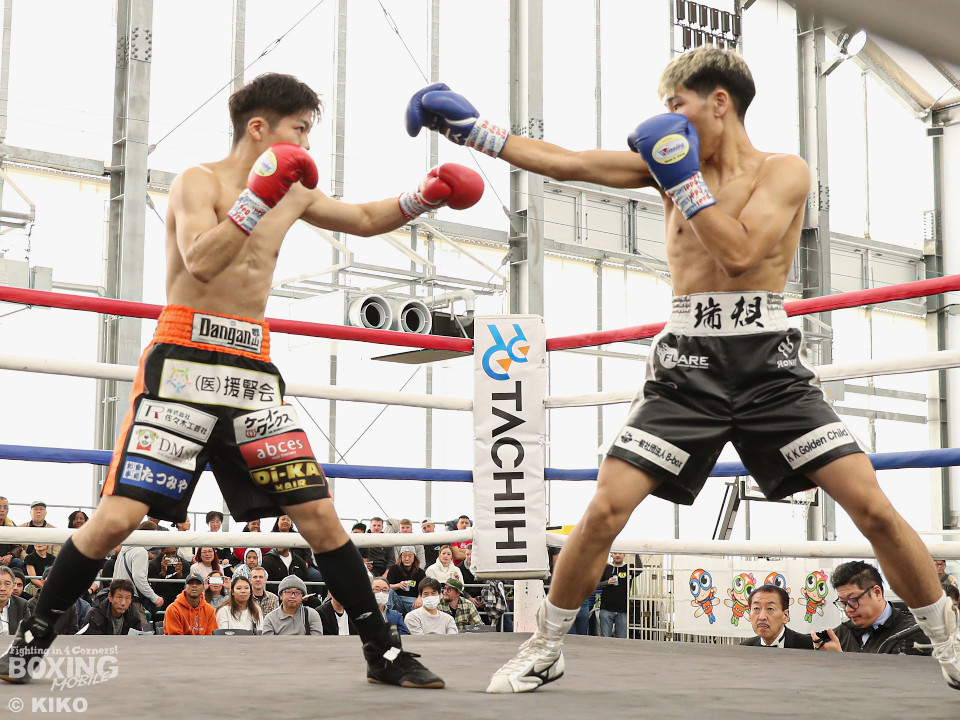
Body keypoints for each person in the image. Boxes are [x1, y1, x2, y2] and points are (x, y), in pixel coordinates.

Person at [406, 45, 960, 693]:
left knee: (873, 509)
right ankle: (547, 646)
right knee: (604, 510)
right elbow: (567, 162)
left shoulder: (783, 171)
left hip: (768, 368)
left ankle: (949, 645)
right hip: (686, 368)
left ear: (718, 102)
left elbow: (741, 253)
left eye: (678, 105)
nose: (669, 119)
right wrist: (474, 130)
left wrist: (682, 180)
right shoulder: (666, 166)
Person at [0, 72, 479, 689]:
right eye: (299, 129)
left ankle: (383, 652)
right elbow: (200, 261)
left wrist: (425, 196)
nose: (307, 143)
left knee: (319, 514)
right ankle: (33, 638)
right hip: (184, 362)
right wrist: (257, 197)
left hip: (251, 369)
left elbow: (362, 217)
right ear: (260, 128)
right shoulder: (197, 182)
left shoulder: (296, 193)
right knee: (119, 517)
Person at [816, 560, 930, 655]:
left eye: (853, 600)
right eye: (843, 603)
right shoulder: (840, 634)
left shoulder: (912, 633)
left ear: (877, 592)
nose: (848, 609)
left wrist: (839, 660)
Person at [740, 584, 813, 649]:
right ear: (749, 615)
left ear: (785, 616)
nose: (762, 617)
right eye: (756, 608)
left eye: (770, 609)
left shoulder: (809, 646)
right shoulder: (745, 648)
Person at [597, 552, 633, 639]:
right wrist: (607, 582)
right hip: (606, 609)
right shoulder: (605, 568)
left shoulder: (629, 568)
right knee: (605, 638)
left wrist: (636, 553)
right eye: (615, 553)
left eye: (620, 553)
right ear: (611, 555)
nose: (617, 555)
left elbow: (640, 569)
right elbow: (596, 585)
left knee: (621, 639)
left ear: (624, 555)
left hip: (623, 610)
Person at [387, 546, 426, 614]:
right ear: (400, 557)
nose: (407, 558)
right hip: (397, 599)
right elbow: (387, 586)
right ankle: (388, 614)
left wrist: (419, 598)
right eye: (404, 556)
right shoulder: (394, 569)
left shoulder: (420, 572)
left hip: (412, 600)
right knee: (390, 591)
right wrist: (398, 585)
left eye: (410, 556)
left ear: (414, 557)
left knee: (420, 607)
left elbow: (424, 589)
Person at [0, 567, 28, 636]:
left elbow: (28, 633)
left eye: (7, 584)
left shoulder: (21, 605)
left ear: (13, 586)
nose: (2, 588)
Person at [0, 498, 25, 572]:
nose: (2, 510)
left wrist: (10, 555)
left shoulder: (11, 525)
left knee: (17, 562)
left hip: (7, 560)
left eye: (5, 507)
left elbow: (18, 546)